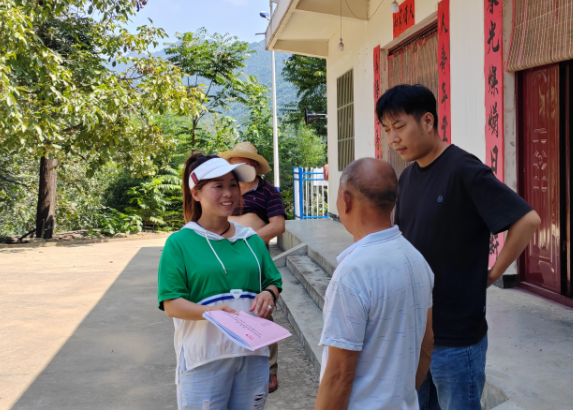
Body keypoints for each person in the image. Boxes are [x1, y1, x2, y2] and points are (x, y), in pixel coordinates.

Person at [376, 84, 541, 410]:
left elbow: (528, 220)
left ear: (427, 121)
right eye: (385, 130)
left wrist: (494, 272)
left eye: (399, 126)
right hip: (416, 331)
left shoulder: (463, 169)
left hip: (456, 335)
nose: (392, 138)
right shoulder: (407, 178)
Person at [158, 153, 283, 410]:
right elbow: (172, 304)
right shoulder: (179, 243)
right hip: (204, 359)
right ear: (196, 193)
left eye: (233, 185)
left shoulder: (250, 239)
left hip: (252, 355)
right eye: (218, 186)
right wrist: (212, 312)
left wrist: (269, 294)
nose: (229, 193)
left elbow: (273, 281)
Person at [314, 158, 435, 410]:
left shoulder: (353, 273)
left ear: (345, 200)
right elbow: (427, 342)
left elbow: (339, 375)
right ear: (393, 202)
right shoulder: (416, 259)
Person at [220, 142, 286, 392]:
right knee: (228, 306)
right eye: (236, 161)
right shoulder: (228, 188)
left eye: (246, 162)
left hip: (253, 256)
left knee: (262, 308)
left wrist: (246, 242)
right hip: (223, 257)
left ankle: (269, 369)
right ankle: (232, 362)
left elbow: (278, 225)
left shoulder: (268, 192)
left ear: (256, 166)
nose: (241, 166)